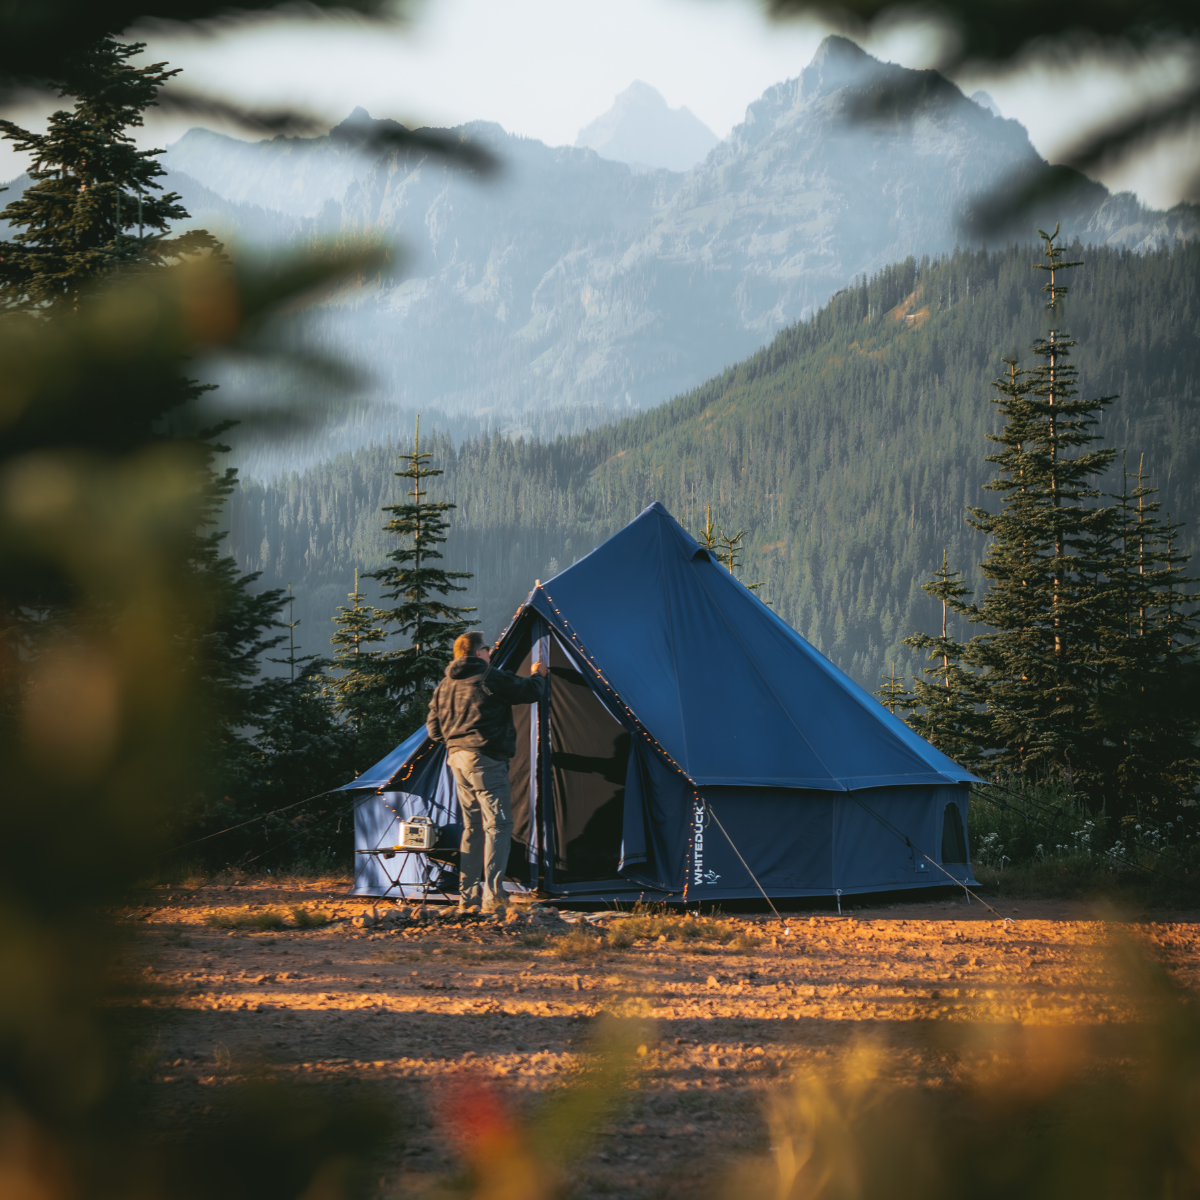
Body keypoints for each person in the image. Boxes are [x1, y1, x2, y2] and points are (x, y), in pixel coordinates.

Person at [426, 631, 548, 914]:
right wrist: (538, 673)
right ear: (479, 652)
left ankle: (468, 898)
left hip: (456, 760)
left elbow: (433, 731)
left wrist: (458, 738)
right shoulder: (491, 676)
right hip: (486, 759)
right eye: (488, 650)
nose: (491, 654)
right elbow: (530, 691)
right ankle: (494, 897)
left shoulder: (444, 685)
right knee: (499, 826)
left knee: (472, 828)